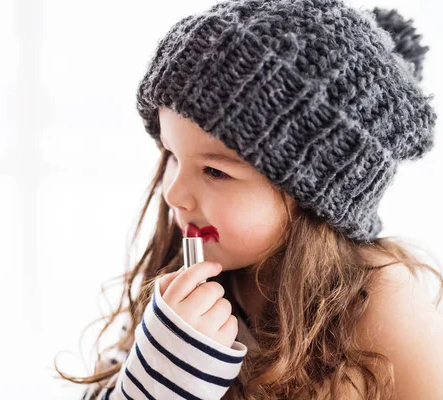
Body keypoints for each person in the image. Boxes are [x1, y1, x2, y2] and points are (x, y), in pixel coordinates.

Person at [55, 0, 443, 398]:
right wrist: (156, 381)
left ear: (311, 195)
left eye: (216, 171)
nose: (174, 193)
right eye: (171, 155)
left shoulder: (379, 302)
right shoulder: (176, 287)